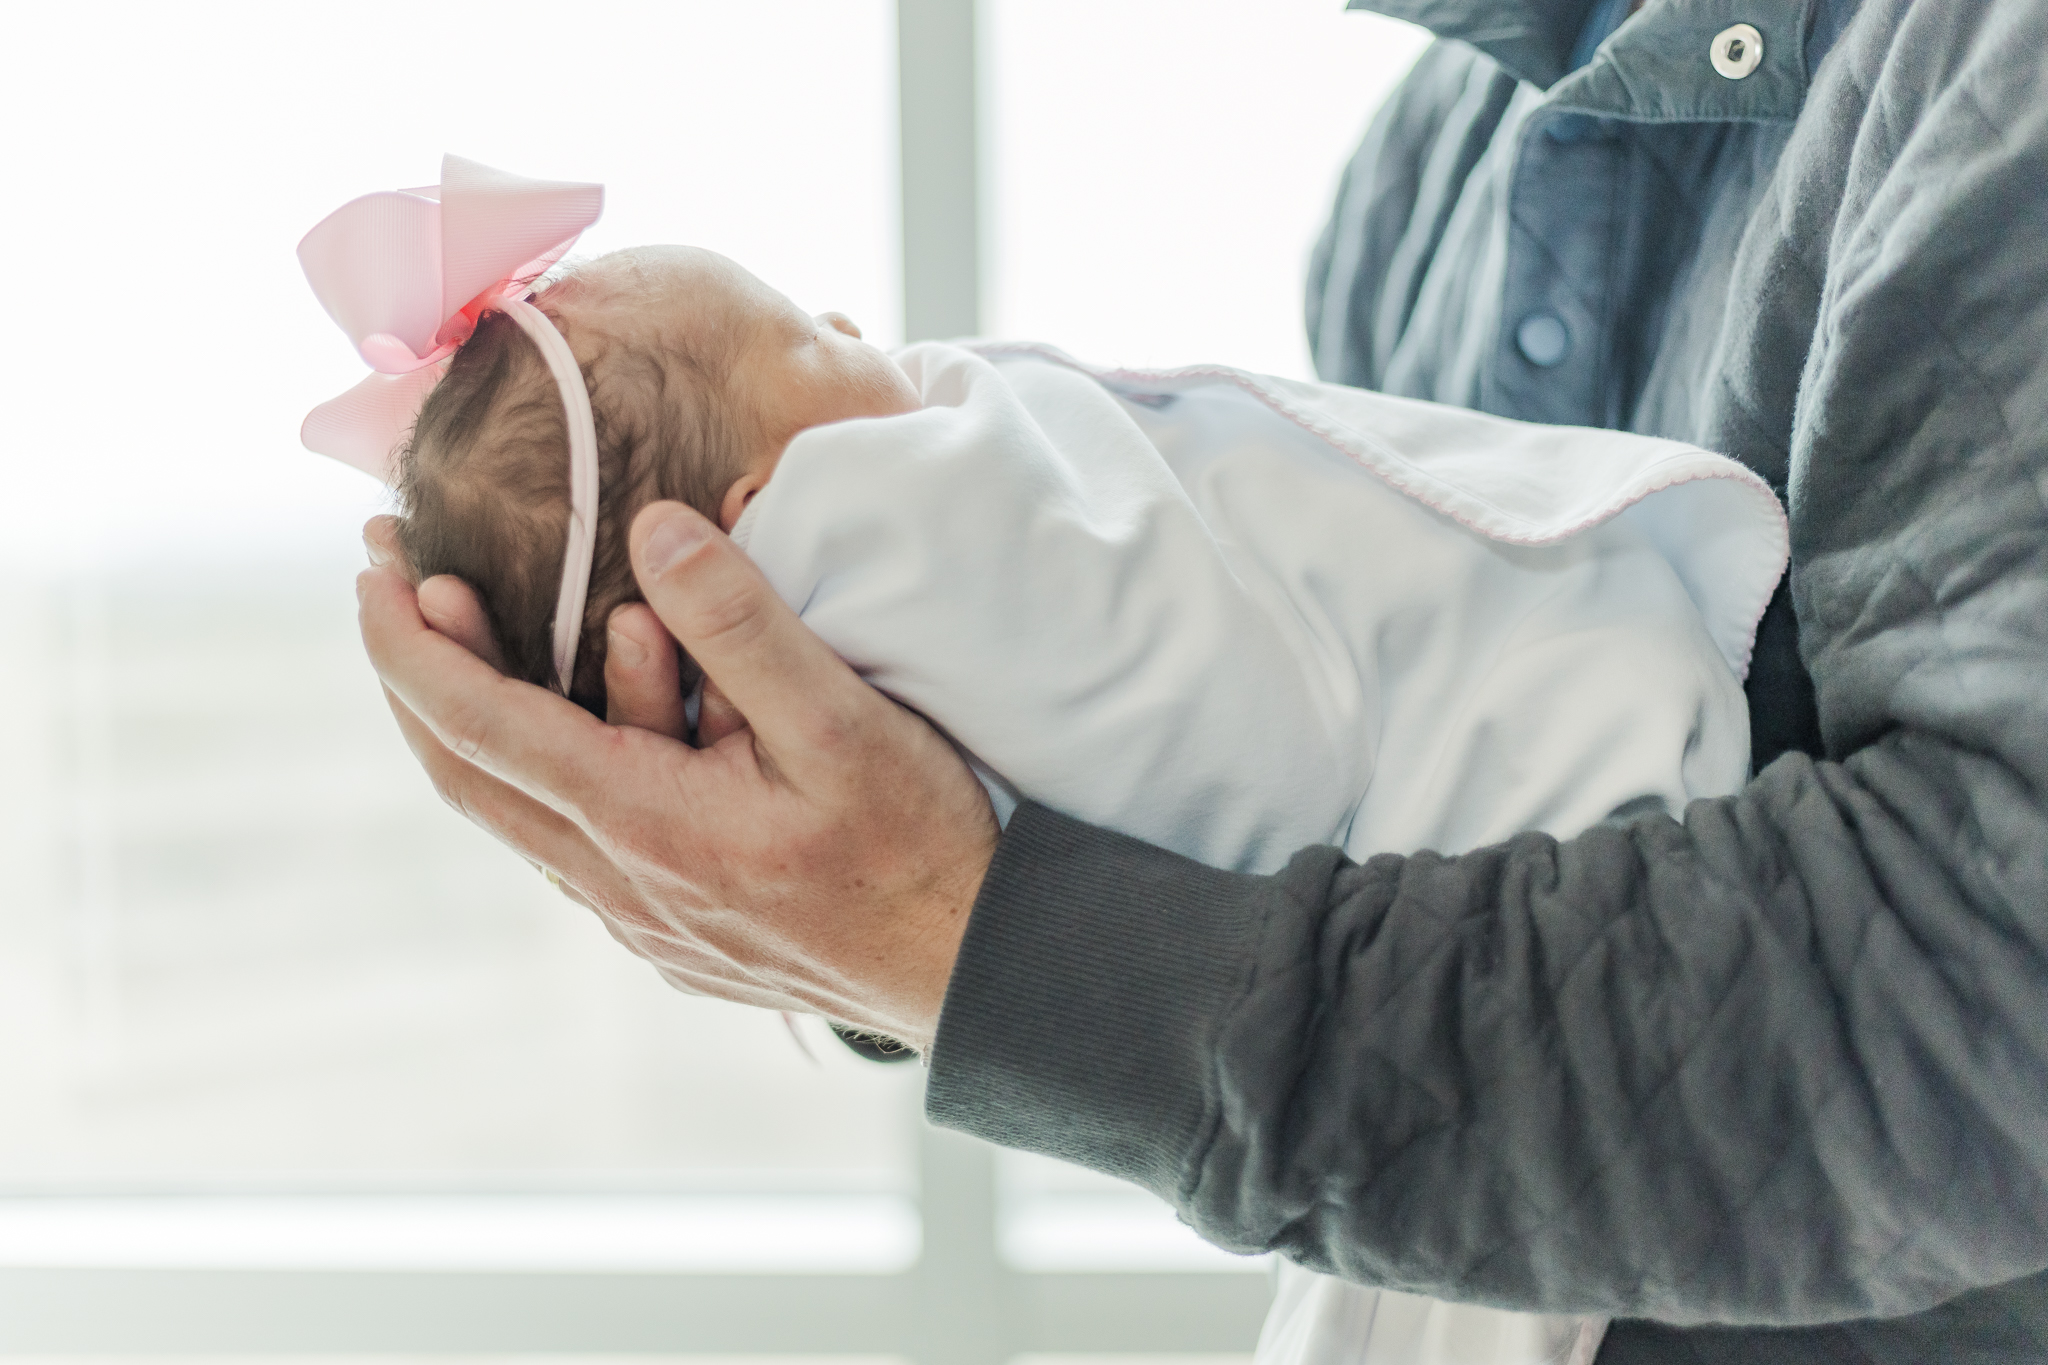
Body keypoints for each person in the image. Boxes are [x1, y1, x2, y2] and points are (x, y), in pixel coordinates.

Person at [356, 0, 2048, 1360]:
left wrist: (976, 945)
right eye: (814, 334)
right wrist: (867, 869)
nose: (874, 331)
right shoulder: (1429, 185)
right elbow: (1258, 768)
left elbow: (1987, 1014)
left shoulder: (1983, 81)